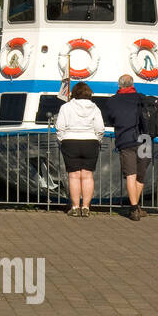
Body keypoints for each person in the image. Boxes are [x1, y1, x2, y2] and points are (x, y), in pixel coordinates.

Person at [55, 81, 105, 217]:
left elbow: (60, 127)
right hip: (90, 141)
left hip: (70, 141)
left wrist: (62, 139)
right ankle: (86, 207)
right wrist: (97, 140)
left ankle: (75, 207)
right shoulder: (95, 108)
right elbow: (100, 128)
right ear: (89, 93)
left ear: (74, 93)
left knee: (74, 175)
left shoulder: (65, 107)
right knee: (87, 176)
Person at [102, 73, 148, 219]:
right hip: (145, 139)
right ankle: (136, 206)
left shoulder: (112, 101)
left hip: (126, 140)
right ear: (132, 84)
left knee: (130, 174)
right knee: (141, 175)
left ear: (119, 85)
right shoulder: (142, 98)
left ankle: (134, 208)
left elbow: (109, 119)